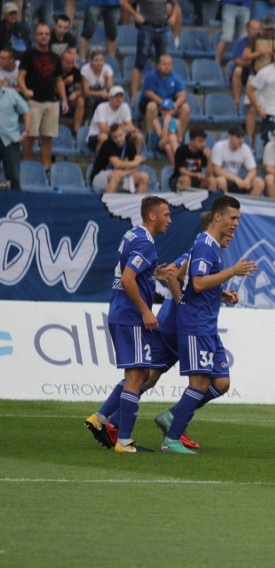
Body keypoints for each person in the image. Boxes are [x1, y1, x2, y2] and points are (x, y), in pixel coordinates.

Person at [160, 195, 258, 454]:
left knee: (222, 383)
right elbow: (198, 282)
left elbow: (185, 277)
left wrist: (221, 293)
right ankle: (171, 439)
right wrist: (232, 272)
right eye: (233, 218)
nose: (236, 224)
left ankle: (173, 415)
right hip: (196, 325)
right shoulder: (205, 244)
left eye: (238, 218)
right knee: (199, 384)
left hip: (207, 325)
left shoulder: (210, 245)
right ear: (218, 216)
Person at [84, 196, 173, 453]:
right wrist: (146, 311)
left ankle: (100, 419)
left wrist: (156, 272)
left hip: (121, 313)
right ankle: (124, 441)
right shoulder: (146, 243)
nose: (170, 219)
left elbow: (131, 271)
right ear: (152, 216)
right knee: (136, 377)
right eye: (166, 214)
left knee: (143, 373)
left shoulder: (132, 235)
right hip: (131, 317)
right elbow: (127, 278)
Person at [19, 23, 67, 177]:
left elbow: (59, 80)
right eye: (41, 34)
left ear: (50, 36)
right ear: (36, 36)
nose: (44, 36)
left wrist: (64, 100)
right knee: (30, 136)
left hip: (52, 102)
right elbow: (21, 77)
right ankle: (25, 166)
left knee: (47, 137)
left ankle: (45, 170)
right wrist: (25, 90)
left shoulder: (55, 57)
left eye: (46, 34)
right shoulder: (29, 55)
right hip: (34, 102)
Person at [124, 0, 173, 101]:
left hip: (163, 27)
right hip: (147, 27)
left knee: (163, 64)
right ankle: (134, 97)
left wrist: (173, 16)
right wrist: (136, 14)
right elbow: (124, 2)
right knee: (139, 63)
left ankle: (160, 94)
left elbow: (175, 4)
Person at [140, 55, 190, 141]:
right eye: (164, 64)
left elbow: (182, 95)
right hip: (153, 102)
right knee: (151, 106)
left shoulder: (176, 78)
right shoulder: (151, 76)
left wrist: (175, 105)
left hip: (170, 105)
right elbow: (148, 93)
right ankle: (150, 137)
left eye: (169, 64)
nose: (167, 67)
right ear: (158, 65)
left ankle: (179, 137)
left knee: (186, 108)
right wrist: (163, 103)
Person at [90, 123, 150, 193]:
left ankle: (138, 203)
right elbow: (117, 164)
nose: (118, 139)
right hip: (101, 176)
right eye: (115, 137)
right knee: (115, 176)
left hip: (122, 174)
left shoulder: (130, 145)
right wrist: (136, 162)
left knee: (144, 177)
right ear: (111, 138)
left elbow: (135, 169)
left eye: (120, 136)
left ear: (124, 134)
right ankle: (109, 203)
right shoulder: (107, 144)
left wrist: (124, 173)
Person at [211, 125, 266, 195]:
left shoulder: (245, 148)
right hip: (224, 178)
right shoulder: (219, 146)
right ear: (230, 136)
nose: (241, 141)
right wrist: (235, 179)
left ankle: (248, 205)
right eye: (238, 137)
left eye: (242, 138)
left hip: (237, 178)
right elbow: (216, 170)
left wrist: (247, 180)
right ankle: (225, 203)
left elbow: (253, 169)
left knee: (259, 182)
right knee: (221, 180)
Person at [88, 86, 143, 153]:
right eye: (116, 96)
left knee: (138, 137)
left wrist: (129, 130)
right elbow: (103, 129)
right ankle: (100, 161)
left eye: (121, 96)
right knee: (103, 137)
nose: (119, 99)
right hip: (97, 136)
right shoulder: (101, 108)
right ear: (110, 98)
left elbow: (130, 126)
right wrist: (121, 131)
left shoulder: (125, 106)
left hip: (118, 135)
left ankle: (134, 160)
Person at [0, 82, 29, 189]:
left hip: (11, 141)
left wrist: (26, 130)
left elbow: (26, 111)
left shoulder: (12, 94)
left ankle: (16, 204)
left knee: (14, 178)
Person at [170, 126, 215, 191]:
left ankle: (211, 200)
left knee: (212, 180)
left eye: (204, 141)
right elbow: (182, 171)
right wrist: (196, 174)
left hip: (197, 180)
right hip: (179, 179)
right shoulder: (181, 150)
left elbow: (210, 174)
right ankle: (186, 200)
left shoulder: (203, 152)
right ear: (192, 140)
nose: (203, 144)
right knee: (186, 179)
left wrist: (209, 158)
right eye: (200, 141)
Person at [80, 47, 114, 130]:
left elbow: (110, 89)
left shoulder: (107, 69)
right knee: (90, 100)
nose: (99, 63)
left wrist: (106, 80)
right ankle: (87, 122)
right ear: (91, 61)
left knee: (108, 100)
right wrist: (100, 93)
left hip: (102, 94)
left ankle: (108, 122)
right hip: (90, 94)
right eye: (96, 60)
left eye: (101, 60)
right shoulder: (85, 69)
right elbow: (86, 91)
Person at [230, 19, 261, 107]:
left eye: (258, 29)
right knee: (238, 70)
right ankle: (236, 100)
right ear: (247, 29)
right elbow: (237, 60)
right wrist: (250, 62)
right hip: (246, 70)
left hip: (260, 70)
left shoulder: (263, 43)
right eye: (253, 29)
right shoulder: (241, 42)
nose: (256, 32)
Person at [59, 49, 85, 135]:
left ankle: (76, 131)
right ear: (61, 61)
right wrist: (65, 82)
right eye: (68, 63)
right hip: (54, 98)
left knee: (80, 101)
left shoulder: (75, 71)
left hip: (68, 98)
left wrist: (76, 93)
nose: (71, 65)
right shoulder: (55, 71)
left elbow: (79, 89)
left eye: (72, 62)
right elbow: (52, 90)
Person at [150, 97, 179, 164]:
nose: (165, 112)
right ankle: (181, 159)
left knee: (168, 147)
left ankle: (176, 168)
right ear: (160, 110)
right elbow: (162, 138)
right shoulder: (156, 121)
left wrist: (174, 138)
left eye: (168, 110)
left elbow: (180, 138)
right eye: (163, 110)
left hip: (170, 145)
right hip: (159, 144)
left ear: (172, 111)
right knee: (171, 137)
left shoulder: (176, 122)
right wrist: (166, 124)